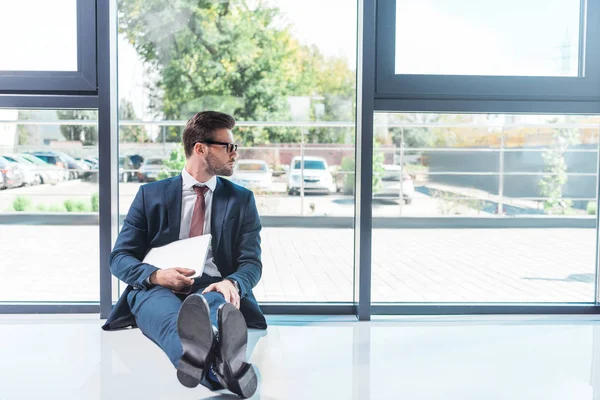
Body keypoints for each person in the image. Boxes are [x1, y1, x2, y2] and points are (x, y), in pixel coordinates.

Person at [102, 111, 266, 398]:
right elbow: (119, 258)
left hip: (214, 284)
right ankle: (224, 369)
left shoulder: (241, 200)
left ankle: (212, 370)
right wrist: (154, 274)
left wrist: (234, 283)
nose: (235, 154)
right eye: (228, 146)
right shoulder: (150, 195)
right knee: (171, 321)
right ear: (200, 148)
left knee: (213, 309)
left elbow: (251, 262)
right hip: (157, 286)